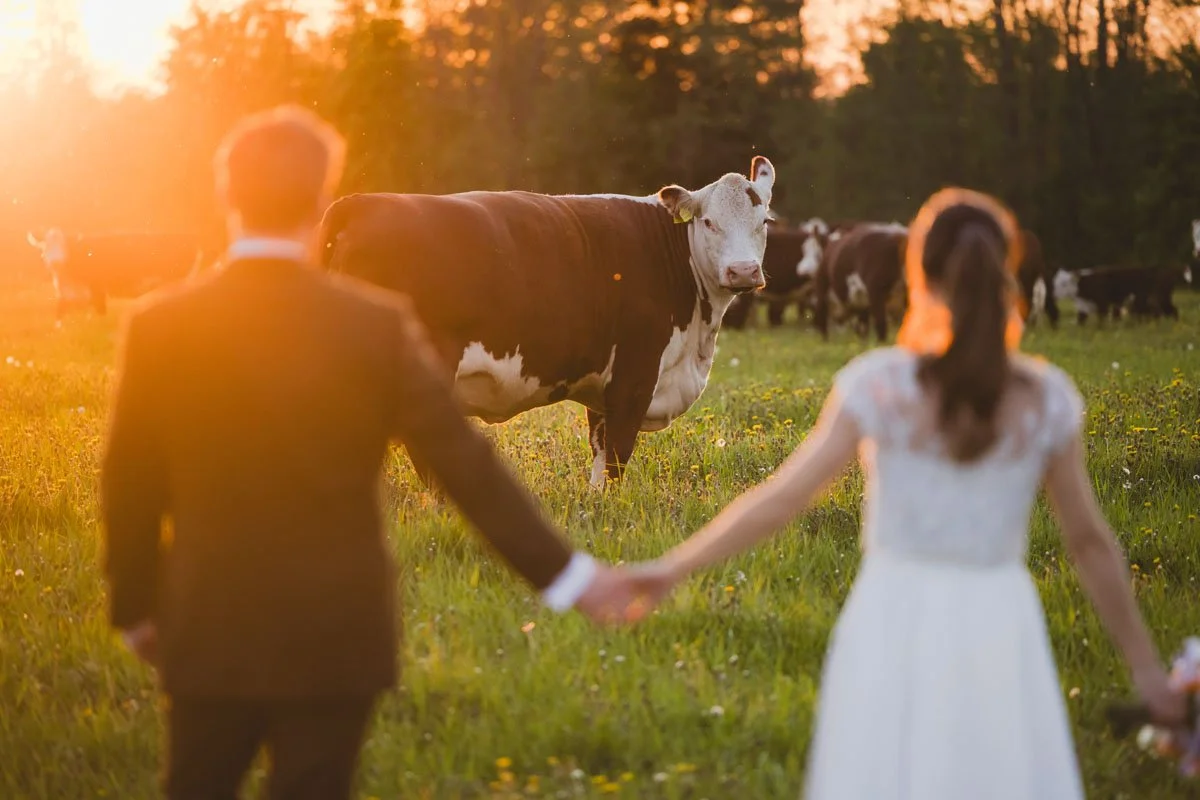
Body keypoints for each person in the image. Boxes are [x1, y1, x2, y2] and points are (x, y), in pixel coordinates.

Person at [100, 105, 634, 800]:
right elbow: (465, 465)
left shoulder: (162, 327)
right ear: (321, 200)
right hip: (339, 632)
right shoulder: (374, 327)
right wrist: (571, 580)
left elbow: (129, 480)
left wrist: (134, 607)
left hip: (207, 625)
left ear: (227, 196)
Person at [624, 188, 1185, 798]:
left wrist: (667, 571)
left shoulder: (877, 385)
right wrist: (1148, 672)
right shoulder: (1045, 399)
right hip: (1000, 626)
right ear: (1006, 272)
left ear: (916, 273)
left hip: (893, 619)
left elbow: (781, 500)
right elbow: (1090, 544)